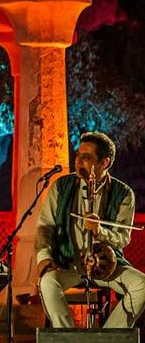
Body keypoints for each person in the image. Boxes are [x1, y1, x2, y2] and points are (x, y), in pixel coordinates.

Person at [36, 131, 145, 328]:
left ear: (105, 162)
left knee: (142, 285)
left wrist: (99, 230)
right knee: (48, 283)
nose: (78, 162)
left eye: (86, 158)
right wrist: (44, 256)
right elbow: (45, 225)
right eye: (78, 155)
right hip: (69, 264)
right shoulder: (61, 186)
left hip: (106, 266)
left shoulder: (124, 193)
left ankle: (109, 340)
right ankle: (69, 342)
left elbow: (122, 238)